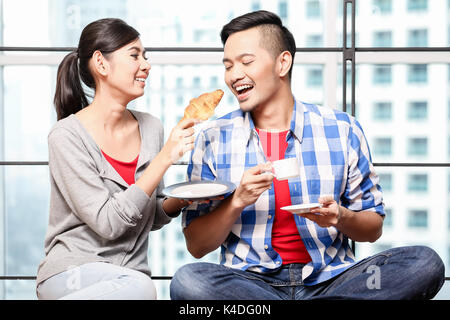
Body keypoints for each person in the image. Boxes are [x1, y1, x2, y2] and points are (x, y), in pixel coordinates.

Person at [170, 10, 445, 300]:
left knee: (424, 263)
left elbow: (372, 228)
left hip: (333, 280)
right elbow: (197, 246)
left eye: (246, 61)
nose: (234, 75)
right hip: (249, 285)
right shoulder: (213, 137)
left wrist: (340, 216)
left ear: (283, 63)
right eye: (228, 65)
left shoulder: (342, 129)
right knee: (188, 281)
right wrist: (237, 201)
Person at [36, 18, 198, 300]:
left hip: (128, 277)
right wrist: (164, 158)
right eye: (135, 55)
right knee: (142, 289)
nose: (146, 64)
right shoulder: (66, 136)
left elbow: (146, 213)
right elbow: (109, 223)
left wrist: (181, 199)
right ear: (101, 64)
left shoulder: (151, 127)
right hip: (72, 274)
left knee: (138, 287)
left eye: (145, 56)